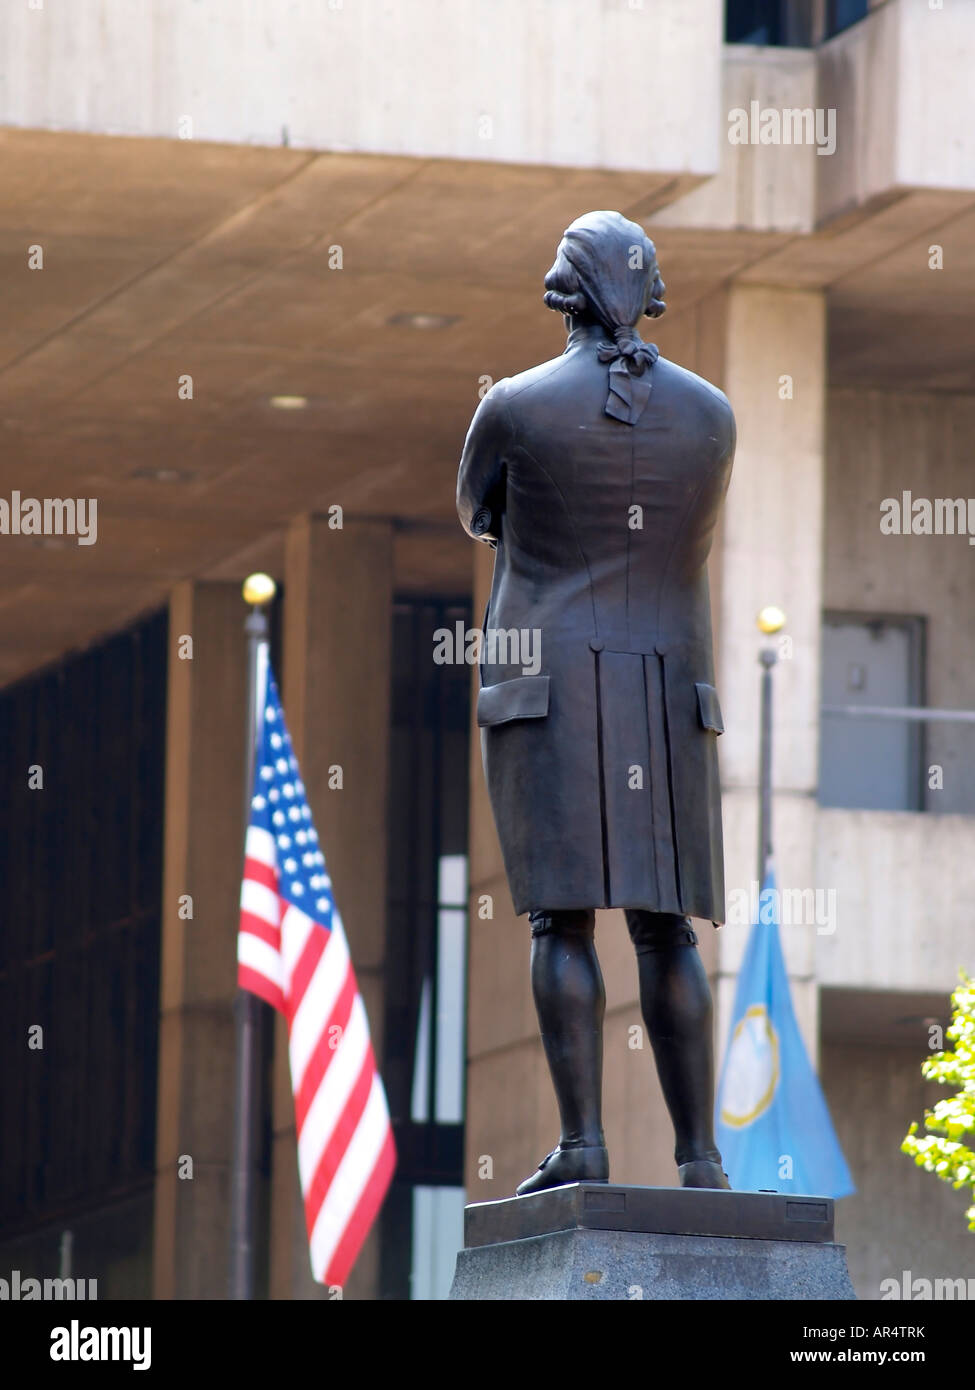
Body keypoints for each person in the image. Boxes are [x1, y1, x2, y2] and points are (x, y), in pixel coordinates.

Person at [457, 210, 736, 1195]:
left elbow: (477, 508)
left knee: (560, 922)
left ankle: (583, 1144)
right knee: (667, 928)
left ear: (561, 292)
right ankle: (701, 1159)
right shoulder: (714, 415)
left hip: (553, 684)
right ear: (650, 289)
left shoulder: (515, 406)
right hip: (670, 685)